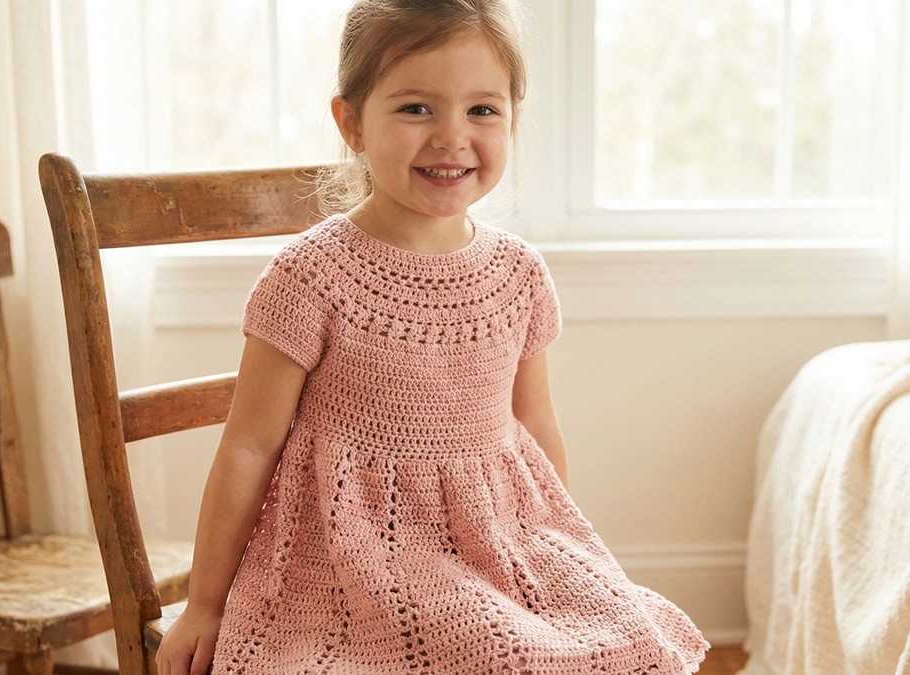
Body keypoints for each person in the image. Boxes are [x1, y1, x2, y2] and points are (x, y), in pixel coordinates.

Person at [155, 1, 709, 673]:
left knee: (626, 640)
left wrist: (556, 549)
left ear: (513, 119)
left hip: (499, 541)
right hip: (356, 563)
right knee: (487, 654)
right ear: (352, 122)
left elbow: (534, 423)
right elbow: (247, 446)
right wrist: (205, 604)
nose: (452, 137)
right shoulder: (311, 278)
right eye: (417, 108)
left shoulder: (518, 273)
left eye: (482, 110)